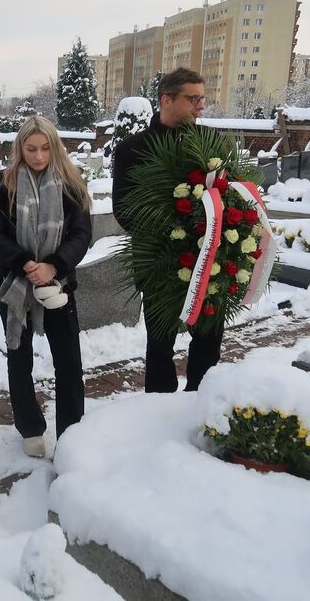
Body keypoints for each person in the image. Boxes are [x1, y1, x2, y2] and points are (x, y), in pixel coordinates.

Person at [0, 116, 92, 458]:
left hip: (58, 283)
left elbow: (81, 234)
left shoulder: (72, 184)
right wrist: (24, 263)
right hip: (15, 283)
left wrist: (54, 265)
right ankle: (30, 427)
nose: (38, 156)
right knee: (19, 359)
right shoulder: (5, 185)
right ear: (20, 149)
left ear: (55, 146)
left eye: (45, 148)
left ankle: (72, 432)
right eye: (30, 149)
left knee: (69, 361)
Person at [112, 67, 220, 393]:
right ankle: (159, 411)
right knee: (159, 347)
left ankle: (201, 402)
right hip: (160, 264)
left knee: (208, 341)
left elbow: (226, 195)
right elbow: (124, 209)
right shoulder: (132, 149)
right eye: (193, 98)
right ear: (167, 100)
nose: (201, 106)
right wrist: (173, 237)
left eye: (203, 98)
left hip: (209, 263)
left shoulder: (210, 143)